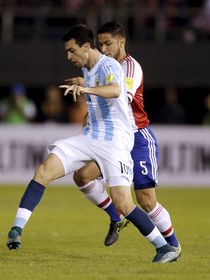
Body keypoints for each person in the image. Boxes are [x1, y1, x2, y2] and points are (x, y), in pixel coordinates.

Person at [6, 24, 178, 263]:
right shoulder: (90, 66)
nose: (68, 56)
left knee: (130, 201)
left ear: (86, 47)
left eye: (72, 51)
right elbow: (98, 80)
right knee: (46, 170)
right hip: (91, 136)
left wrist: (86, 87)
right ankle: (16, 230)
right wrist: (85, 83)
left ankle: (166, 246)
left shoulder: (115, 65)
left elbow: (116, 90)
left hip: (118, 139)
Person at [66, 22, 181, 258]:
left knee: (146, 200)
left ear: (121, 41)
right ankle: (115, 216)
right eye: (101, 44)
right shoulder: (102, 67)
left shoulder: (129, 67)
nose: (104, 49)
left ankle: (173, 246)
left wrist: (88, 87)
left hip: (137, 137)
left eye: (108, 44)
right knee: (82, 176)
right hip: (113, 139)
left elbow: (120, 97)